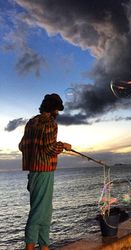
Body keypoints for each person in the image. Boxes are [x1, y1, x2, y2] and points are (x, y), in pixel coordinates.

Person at [19, 93, 72, 250]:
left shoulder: (31, 122)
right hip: (44, 172)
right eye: (58, 110)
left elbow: (22, 146)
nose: (58, 113)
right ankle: (29, 247)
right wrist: (63, 145)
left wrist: (34, 153)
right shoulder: (50, 124)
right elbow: (50, 148)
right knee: (38, 212)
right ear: (54, 109)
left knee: (45, 211)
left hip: (33, 172)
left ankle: (44, 246)